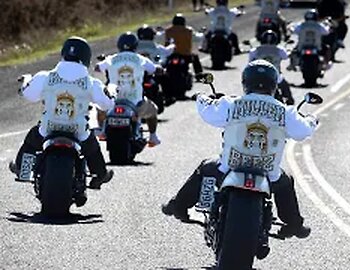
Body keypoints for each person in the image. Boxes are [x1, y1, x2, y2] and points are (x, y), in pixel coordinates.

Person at [162, 60, 318, 238]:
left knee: (206, 167)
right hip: (268, 173)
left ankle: (178, 206)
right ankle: (294, 224)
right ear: (274, 85)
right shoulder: (285, 112)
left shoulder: (232, 104)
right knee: (286, 181)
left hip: (228, 168)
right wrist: (312, 119)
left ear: (246, 82)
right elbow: (303, 131)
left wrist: (200, 97)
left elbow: (208, 113)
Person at [9, 36, 115, 205]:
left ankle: (23, 169)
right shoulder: (90, 82)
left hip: (49, 129)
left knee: (31, 140)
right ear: (86, 57)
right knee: (93, 148)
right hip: (77, 131)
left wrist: (27, 80)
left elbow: (28, 94)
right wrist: (111, 93)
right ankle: (99, 176)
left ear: (64, 53)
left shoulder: (46, 76)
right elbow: (107, 104)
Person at [95, 32, 161, 147]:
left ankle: (102, 130)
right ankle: (153, 137)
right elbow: (152, 70)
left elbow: (97, 68)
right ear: (135, 45)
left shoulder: (111, 59)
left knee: (100, 108)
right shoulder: (141, 59)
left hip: (113, 102)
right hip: (135, 103)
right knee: (153, 110)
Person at [249, 30, 294, 105]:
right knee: (285, 88)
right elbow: (286, 57)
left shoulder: (255, 51)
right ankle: (290, 104)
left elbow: (250, 64)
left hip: (258, 77)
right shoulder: (279, 50)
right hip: (275, 76)